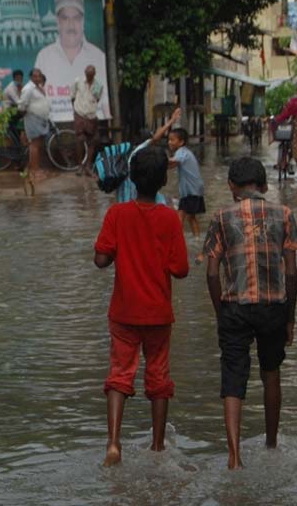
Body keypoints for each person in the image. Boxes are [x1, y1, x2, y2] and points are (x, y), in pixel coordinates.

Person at [203, 157, 297, 470]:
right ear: (261, 185)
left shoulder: (221, 216)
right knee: (271, 373)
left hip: (235, 307)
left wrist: (221, 313)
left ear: (232, 186)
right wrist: (290, 317)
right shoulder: (284, 214)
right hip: (274, 306)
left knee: (233, 376)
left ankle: (234, 456)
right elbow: (292, 272)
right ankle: (271, 445)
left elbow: (211, 271)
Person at [94, 145, 190, 466]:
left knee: (120, 375)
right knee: (159, 378)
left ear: (132, 178)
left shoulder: (116, 214)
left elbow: (100, 260)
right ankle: (158, 446)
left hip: (123, 312)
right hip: (158, 314)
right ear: (163, 180)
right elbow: (181, 269)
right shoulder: (169, 219)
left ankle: (113, 444)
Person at [34, 0, 108, 120]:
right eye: (65, 18)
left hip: (92, 121)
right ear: (58, 22)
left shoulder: (98, 56)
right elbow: (39, 94)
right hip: (55, 122)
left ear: (83, 21)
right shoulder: (44, 56)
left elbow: (104, 99)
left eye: (76, 18)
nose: (71, 25)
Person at [116, 108, 182, 204]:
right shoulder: (140, 152)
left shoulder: (135, 156)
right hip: (135, 201)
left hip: (125, 201)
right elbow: (155, 138)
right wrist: (171, 121)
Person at [18, 68, 51, 192]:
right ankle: (34, 172)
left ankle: (36, 168)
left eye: (39, 76)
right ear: (31, 77)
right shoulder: (28, 88)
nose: (38, 78)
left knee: (39, 144)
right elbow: (22, 105)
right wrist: (29, 114)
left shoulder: (39, 87)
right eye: (35, 76)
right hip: (33, 119)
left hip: (41, 120)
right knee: (34, 145)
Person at [168, 128, 205, 237]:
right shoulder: (185, 152)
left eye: (172, 140)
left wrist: (157, 157)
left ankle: (175, 242)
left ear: (181, 142)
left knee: (180, 216)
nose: (169, 142)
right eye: (169, 139)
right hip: (194, 190)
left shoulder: (182, 152)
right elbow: (171, 165)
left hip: (191, 191)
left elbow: (172, 162)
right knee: (191, 217)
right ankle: (197, 239)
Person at [71, 65, 104, 175]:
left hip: (91, 116)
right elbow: (72, 97)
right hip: (79, 114)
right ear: (85, 73)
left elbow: (97, 99)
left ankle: (88, 166)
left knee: (93, 141)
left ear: (94, 74)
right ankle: (80, 166)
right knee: (79, 140)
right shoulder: (78, 81)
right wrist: (77, 110)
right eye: (87, 74)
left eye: (91, 75)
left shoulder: (99, 85)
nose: (89, 76)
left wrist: (89, 109)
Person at [2, 69, 25, 142]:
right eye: (17, 78)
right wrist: (20, 90)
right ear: (14, 78)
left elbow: (24, 98)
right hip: (9, 111)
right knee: (25, 113)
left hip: (15, 109)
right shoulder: (10, 88)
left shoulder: (20, 86)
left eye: (21, 78)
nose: (19, 80)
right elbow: (18, 101)